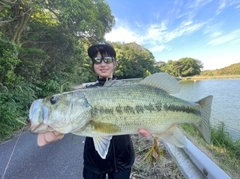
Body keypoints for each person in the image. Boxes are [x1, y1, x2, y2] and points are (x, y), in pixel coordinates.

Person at [37, 42, 151, 179]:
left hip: (123, 158)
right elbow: (70, 117)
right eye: (97, 60)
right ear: (93, 65)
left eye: (107, 60)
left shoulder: (127, 90)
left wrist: (154, 127)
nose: (102, 64)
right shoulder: (83, 94)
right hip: (94, 162)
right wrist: (51, 127)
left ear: (115, 63)